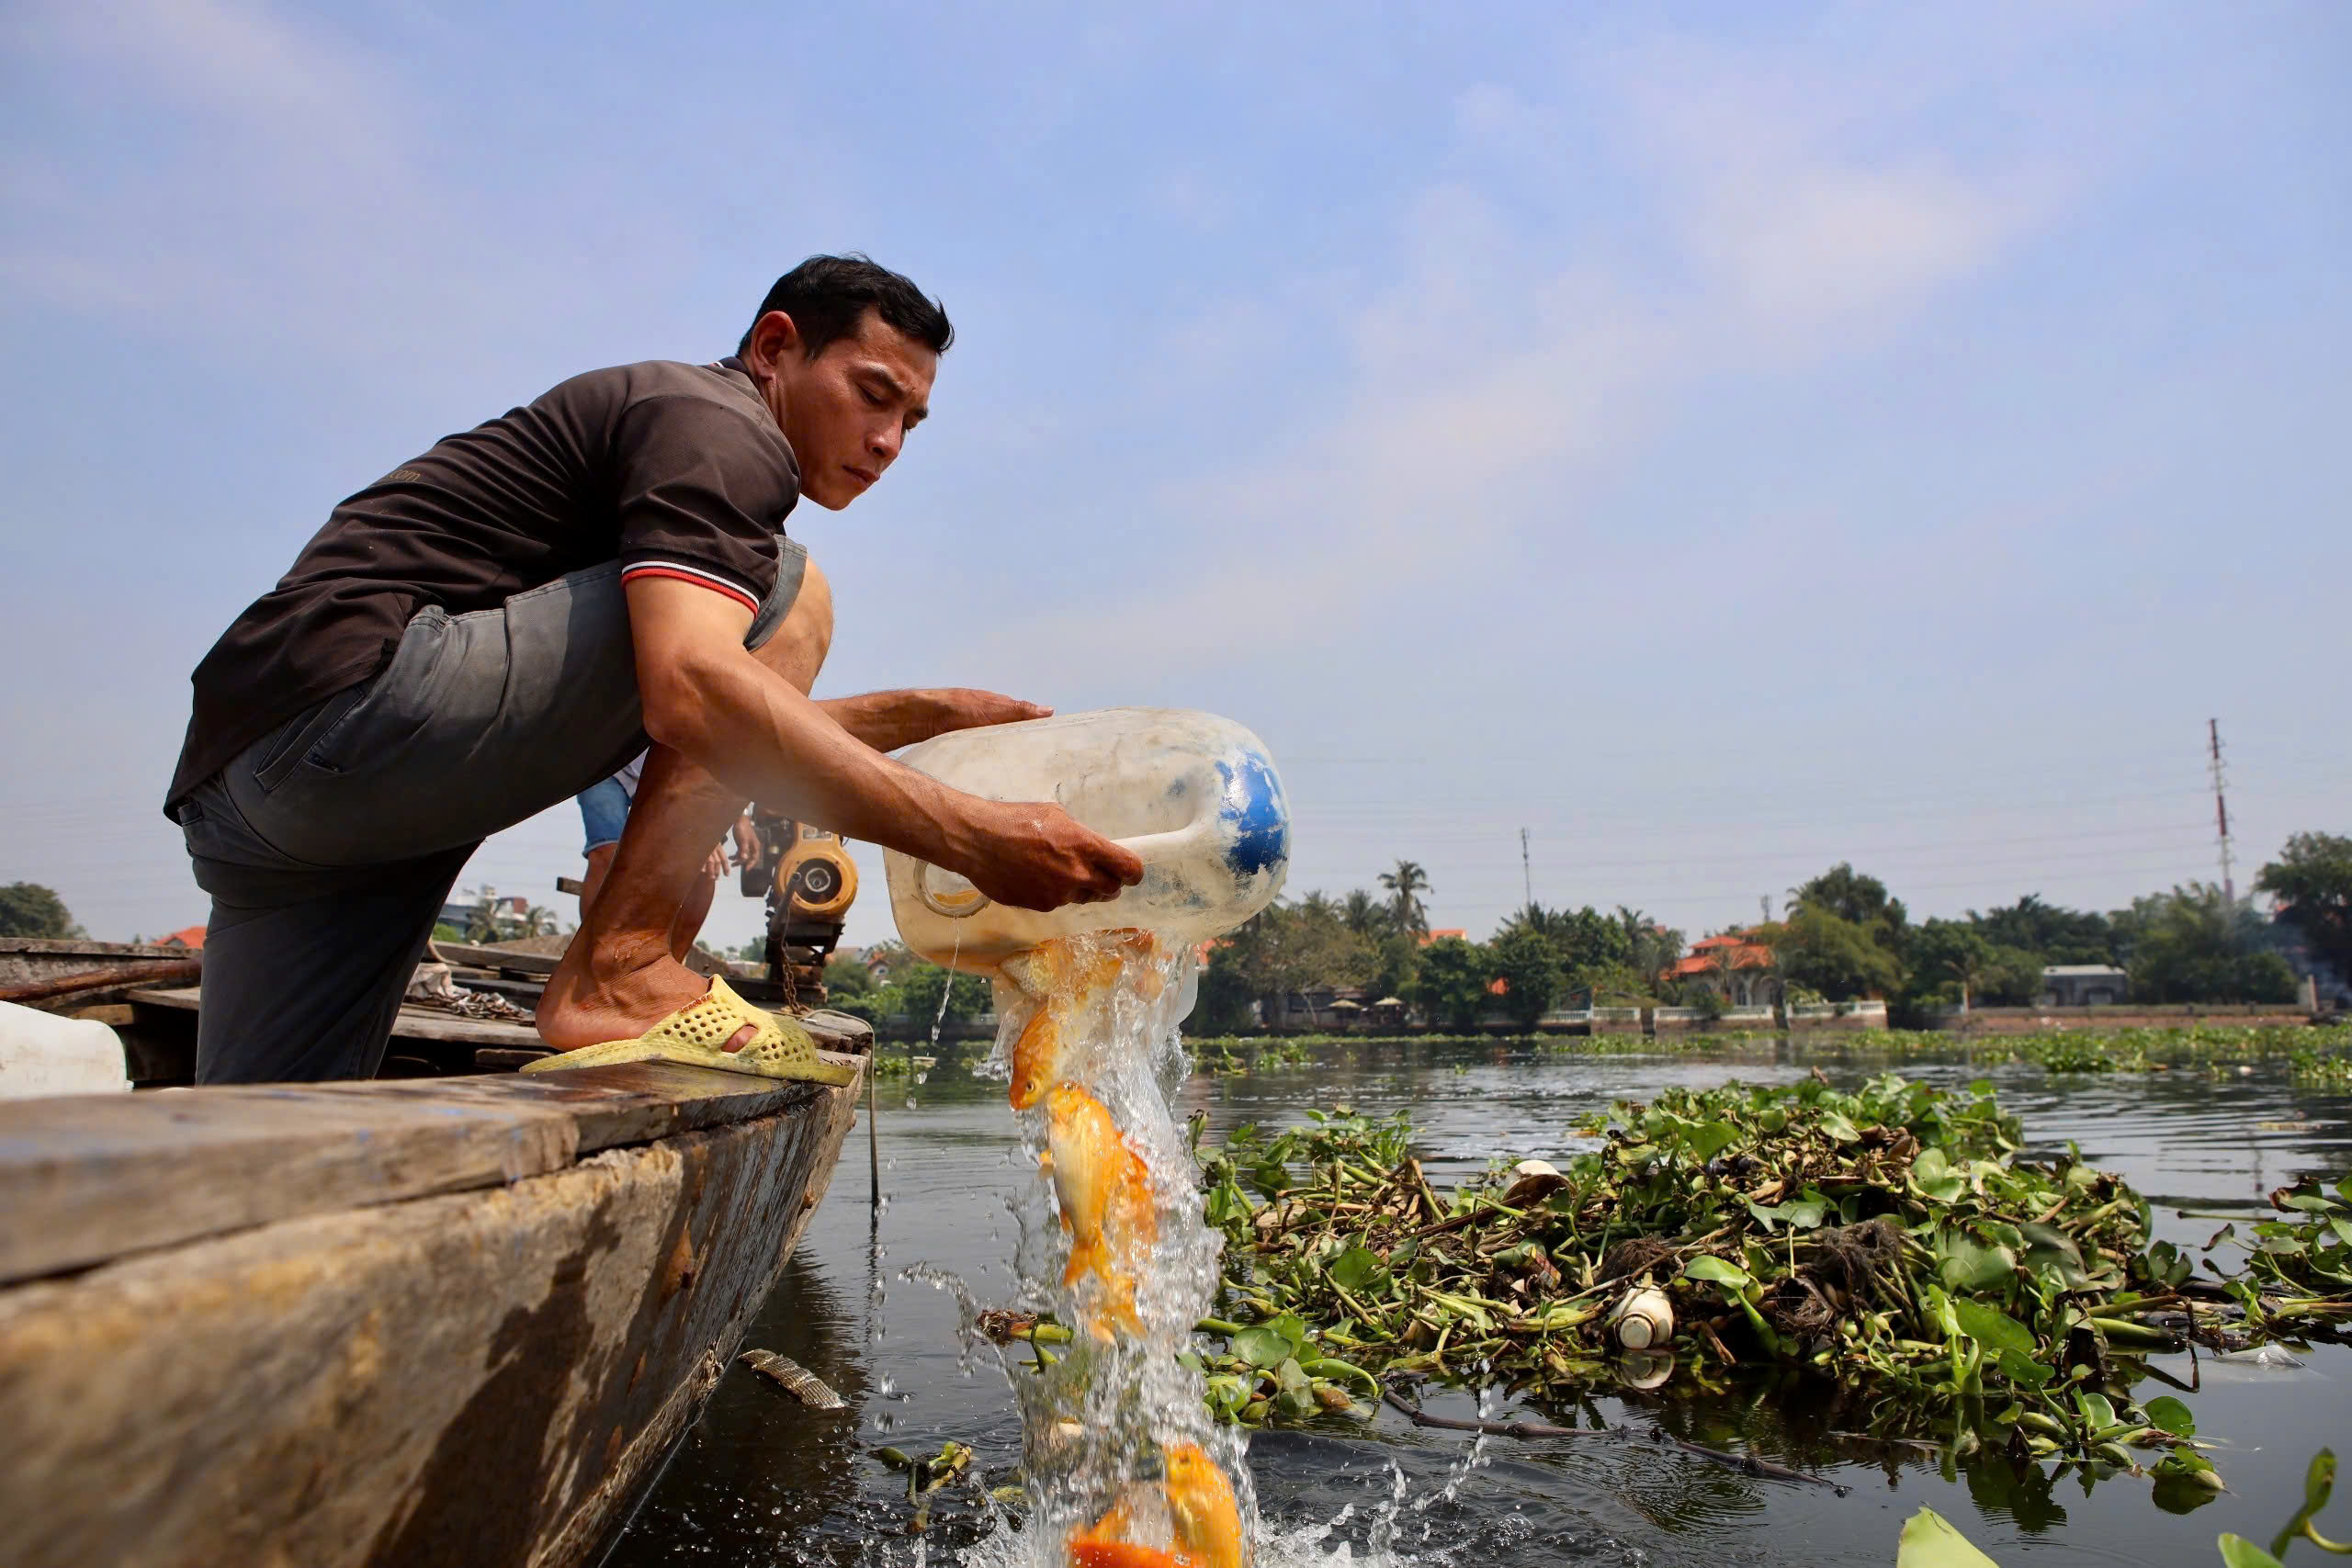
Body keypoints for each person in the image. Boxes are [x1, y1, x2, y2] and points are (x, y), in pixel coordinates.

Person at [165, 255, 1141, 1085]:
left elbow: (697, 731)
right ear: (774, 349)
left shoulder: (689, 446)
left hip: (267, 805)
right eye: (871, 394)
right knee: (791, 590)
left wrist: (918, 714)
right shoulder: (720, 425)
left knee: (268, 1133)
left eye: (911, 422)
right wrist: (971, 836)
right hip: (350, 715)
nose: (887, 442)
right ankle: (622, 967)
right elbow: (693, 692)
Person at [573, 752, 755, 961]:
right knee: (605, 855)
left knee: (702, 866)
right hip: (610, 761)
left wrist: (741, 817)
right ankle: (590, 961)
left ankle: (670, 964)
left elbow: (733, 752)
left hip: (680, 771)